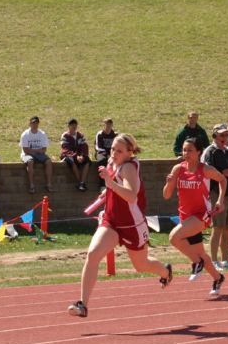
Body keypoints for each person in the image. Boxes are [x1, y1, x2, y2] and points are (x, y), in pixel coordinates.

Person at [68, 134, 173, 318]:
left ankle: (165, 271)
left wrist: (109, 183)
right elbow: (114, 187)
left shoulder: (128, 168)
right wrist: (106, 192)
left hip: (131, 224)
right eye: (113, 149)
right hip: (111, 220)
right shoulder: (112, 162)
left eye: (119, 151)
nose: (114, 153)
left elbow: (131, 196)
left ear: (130, 152)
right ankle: (82, 304)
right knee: (92, 255)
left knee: (141, 266)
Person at [162, 138, 227, 295]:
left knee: (173, 237)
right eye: (184, 150)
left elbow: (223, 179)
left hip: (201, 215)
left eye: (190, 150)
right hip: (186, 216)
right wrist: (169, 183)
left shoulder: (205, 169)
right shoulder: (178, 169)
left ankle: (197, 263)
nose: (186, 153)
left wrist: (220, 199)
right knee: (200, 252)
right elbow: (166, 195)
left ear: (199, 152)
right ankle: (218, 277)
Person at [202, 124, 228, 270]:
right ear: (214, 136)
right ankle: (214, 261)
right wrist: (222, 173)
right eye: (221, 135)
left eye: (226, 135)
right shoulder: (210, 151)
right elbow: (206, 171)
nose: (225, 138)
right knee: (217, 227)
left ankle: (225, 260)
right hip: (216, 194)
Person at [19, 115, 53, 194]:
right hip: (27, 154)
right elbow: (25, 150)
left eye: (36, 123)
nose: (35, 125)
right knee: (30, 162)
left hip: (38, 153)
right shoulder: (25, 134)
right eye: (33, 123)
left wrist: (35, 151)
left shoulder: (42, 134)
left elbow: (44, 149)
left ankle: (49, 184)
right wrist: (37, 151)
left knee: (48, 162)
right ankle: (31, 185)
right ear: (29, 124)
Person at [61, 118, 91, 191]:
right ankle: (79, 181)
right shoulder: (65, 136)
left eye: (75, 125)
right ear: (68, 126)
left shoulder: (81, 135)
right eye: (72, 125)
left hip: (79, 156)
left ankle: (82, 182)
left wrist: (82, 155)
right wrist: (75, 156)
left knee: (87, 161)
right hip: (68, 155)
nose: (74, 127)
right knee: (72, 162)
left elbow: (84, 147)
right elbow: (65, 149)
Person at [94, 118, 117, 188]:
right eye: (107, 124)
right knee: (102, 164)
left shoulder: (115, 135)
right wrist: (107, 155)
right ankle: (102, 186)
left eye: (110, 124)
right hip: (101, 154)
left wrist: (112, 155)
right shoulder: (100, 134)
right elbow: (98, 147)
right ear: (104, 125)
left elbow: (116, 147)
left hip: (111, 154)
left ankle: (114, 184)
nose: (108, 126)